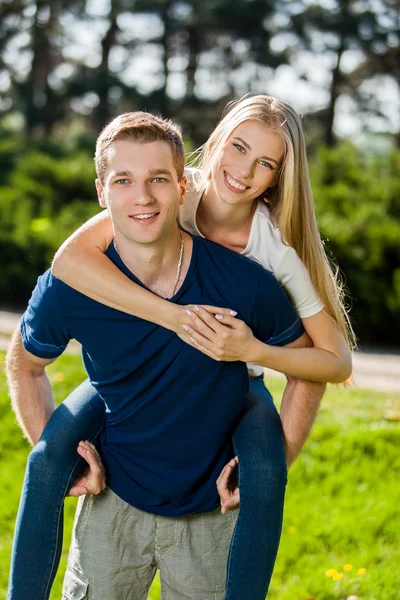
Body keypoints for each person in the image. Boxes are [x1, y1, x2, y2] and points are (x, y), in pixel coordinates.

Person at [6, 96, 351, 600]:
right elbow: (67, 265)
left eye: (265, 163)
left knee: (267, 469)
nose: (142, 195)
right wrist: (174, 317)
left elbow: (330, 363)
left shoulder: (269, 260)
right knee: (49, 453)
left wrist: (251, 351)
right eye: (238, 148)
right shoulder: (157, 207)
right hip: (123, 398)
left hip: (240, 376)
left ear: (278, 178)